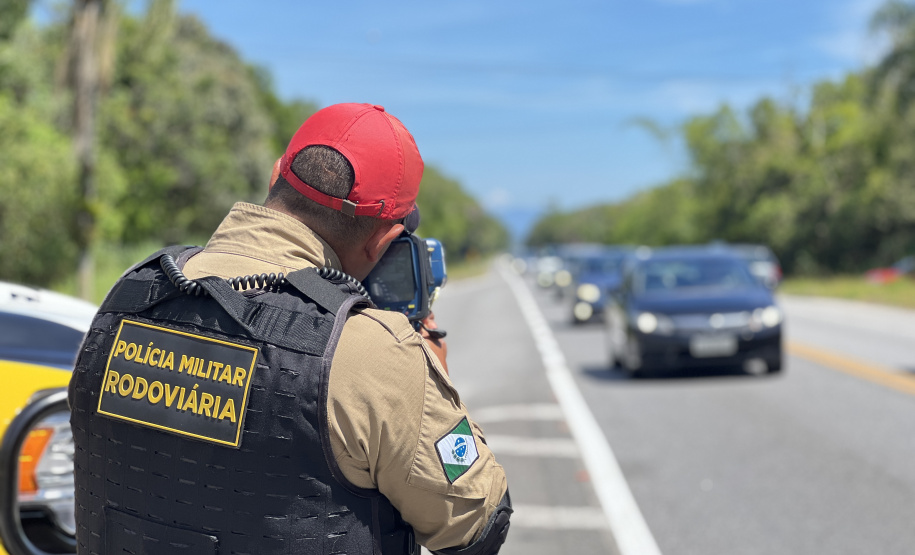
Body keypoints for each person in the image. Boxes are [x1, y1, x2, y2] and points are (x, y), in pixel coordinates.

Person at [68, 103, 511, 554]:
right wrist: (429, 380)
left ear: (276, 174)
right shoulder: (372, 350)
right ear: (383, 240)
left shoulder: (130, 293)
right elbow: (477, 524)